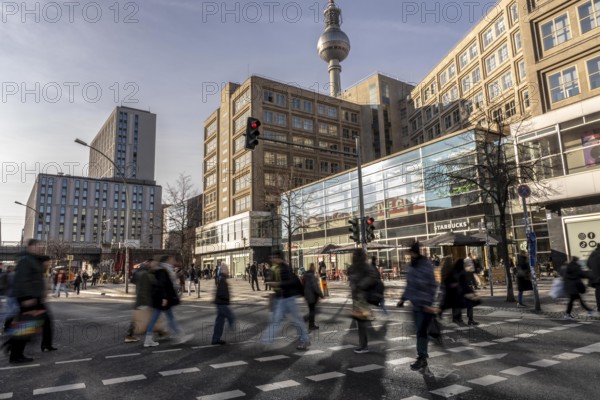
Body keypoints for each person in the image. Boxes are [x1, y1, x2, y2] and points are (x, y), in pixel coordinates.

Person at [3, 240, 56, 363]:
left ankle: (13, 346)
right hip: (28, 298)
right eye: (37, 246)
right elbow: (21, 280)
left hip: (34, 298)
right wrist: (26, 298)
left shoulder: (33, 259)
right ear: (30, 247)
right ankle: (15, 354)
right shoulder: (26, 260)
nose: (40, 248)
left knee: (34, 324)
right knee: (27, 326)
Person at [261, 251, 310, 351]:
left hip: (289, 298)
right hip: (282, 298)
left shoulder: (284, 268)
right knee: (277, 320)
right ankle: (266, 341)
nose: (272, 259)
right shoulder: (278, 267)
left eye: (273, 257)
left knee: (296, 320)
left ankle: (305, 340)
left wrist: (278, 284)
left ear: (278, 258)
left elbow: (290, 282)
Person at [402, 242, 438, 371]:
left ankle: (422, 357)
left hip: (424, 304)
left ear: (415, 253)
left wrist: (429, 301)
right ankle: (422, 356)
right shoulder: (412, 266)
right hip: (415, 304)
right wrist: (403, 298)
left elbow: (432, 284)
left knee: (421, 331)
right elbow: (409, 284)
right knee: (420, 331)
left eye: (411, 253)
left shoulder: (425, 265)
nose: (409, 255)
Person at [143, 255, 192, 347]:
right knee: (165, 318)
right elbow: (162, 285)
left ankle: (149, 339)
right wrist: (164, 298)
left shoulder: (156, 272)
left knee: (165, 318)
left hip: (159, 299)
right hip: (162, 299)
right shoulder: (161, 271)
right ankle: (179, 335)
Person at [349, 249, 379, 354]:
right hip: (357, 298)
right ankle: (363, 345)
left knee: (361, 323)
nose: (353, 256)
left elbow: (373, 277)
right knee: (360, 322)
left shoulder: (364, 266)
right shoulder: (355, 267)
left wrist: (360, 285)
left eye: (354, 254)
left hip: (361, 298)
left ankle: (363, 346)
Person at [441, 257, 478, 326]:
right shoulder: (454, 270)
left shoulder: (447, 270)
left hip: (453, 292)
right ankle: (469, 319)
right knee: (468, 305)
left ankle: (457, 318)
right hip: (459, 292)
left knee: (454, 305)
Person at [211, 263, 235, 345]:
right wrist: (226, 298)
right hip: (222, 303)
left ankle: (216, 339)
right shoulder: (222, 280)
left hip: (220, 303)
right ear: (223, 271)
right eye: (227, 269)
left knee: (219, 322)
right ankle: (231, 328)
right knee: (231, 317)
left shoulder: (221, 279)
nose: (228, 271)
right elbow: (221, 292)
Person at [303, 263, 324, 331]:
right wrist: (321, 294)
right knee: (313, 311)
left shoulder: (306, 275)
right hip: (312, 296)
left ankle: (311, 325)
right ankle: (306, 320)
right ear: (312, 267)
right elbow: (315, 286)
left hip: (307, 295)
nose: (315, 268)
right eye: (314, 267)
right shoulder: (311, 276)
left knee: (312, 310)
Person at [588, 247, 600, 312]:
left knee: (598, 293)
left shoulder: (592, 255)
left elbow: (588, 265)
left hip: (595, 278)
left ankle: (599, 308)